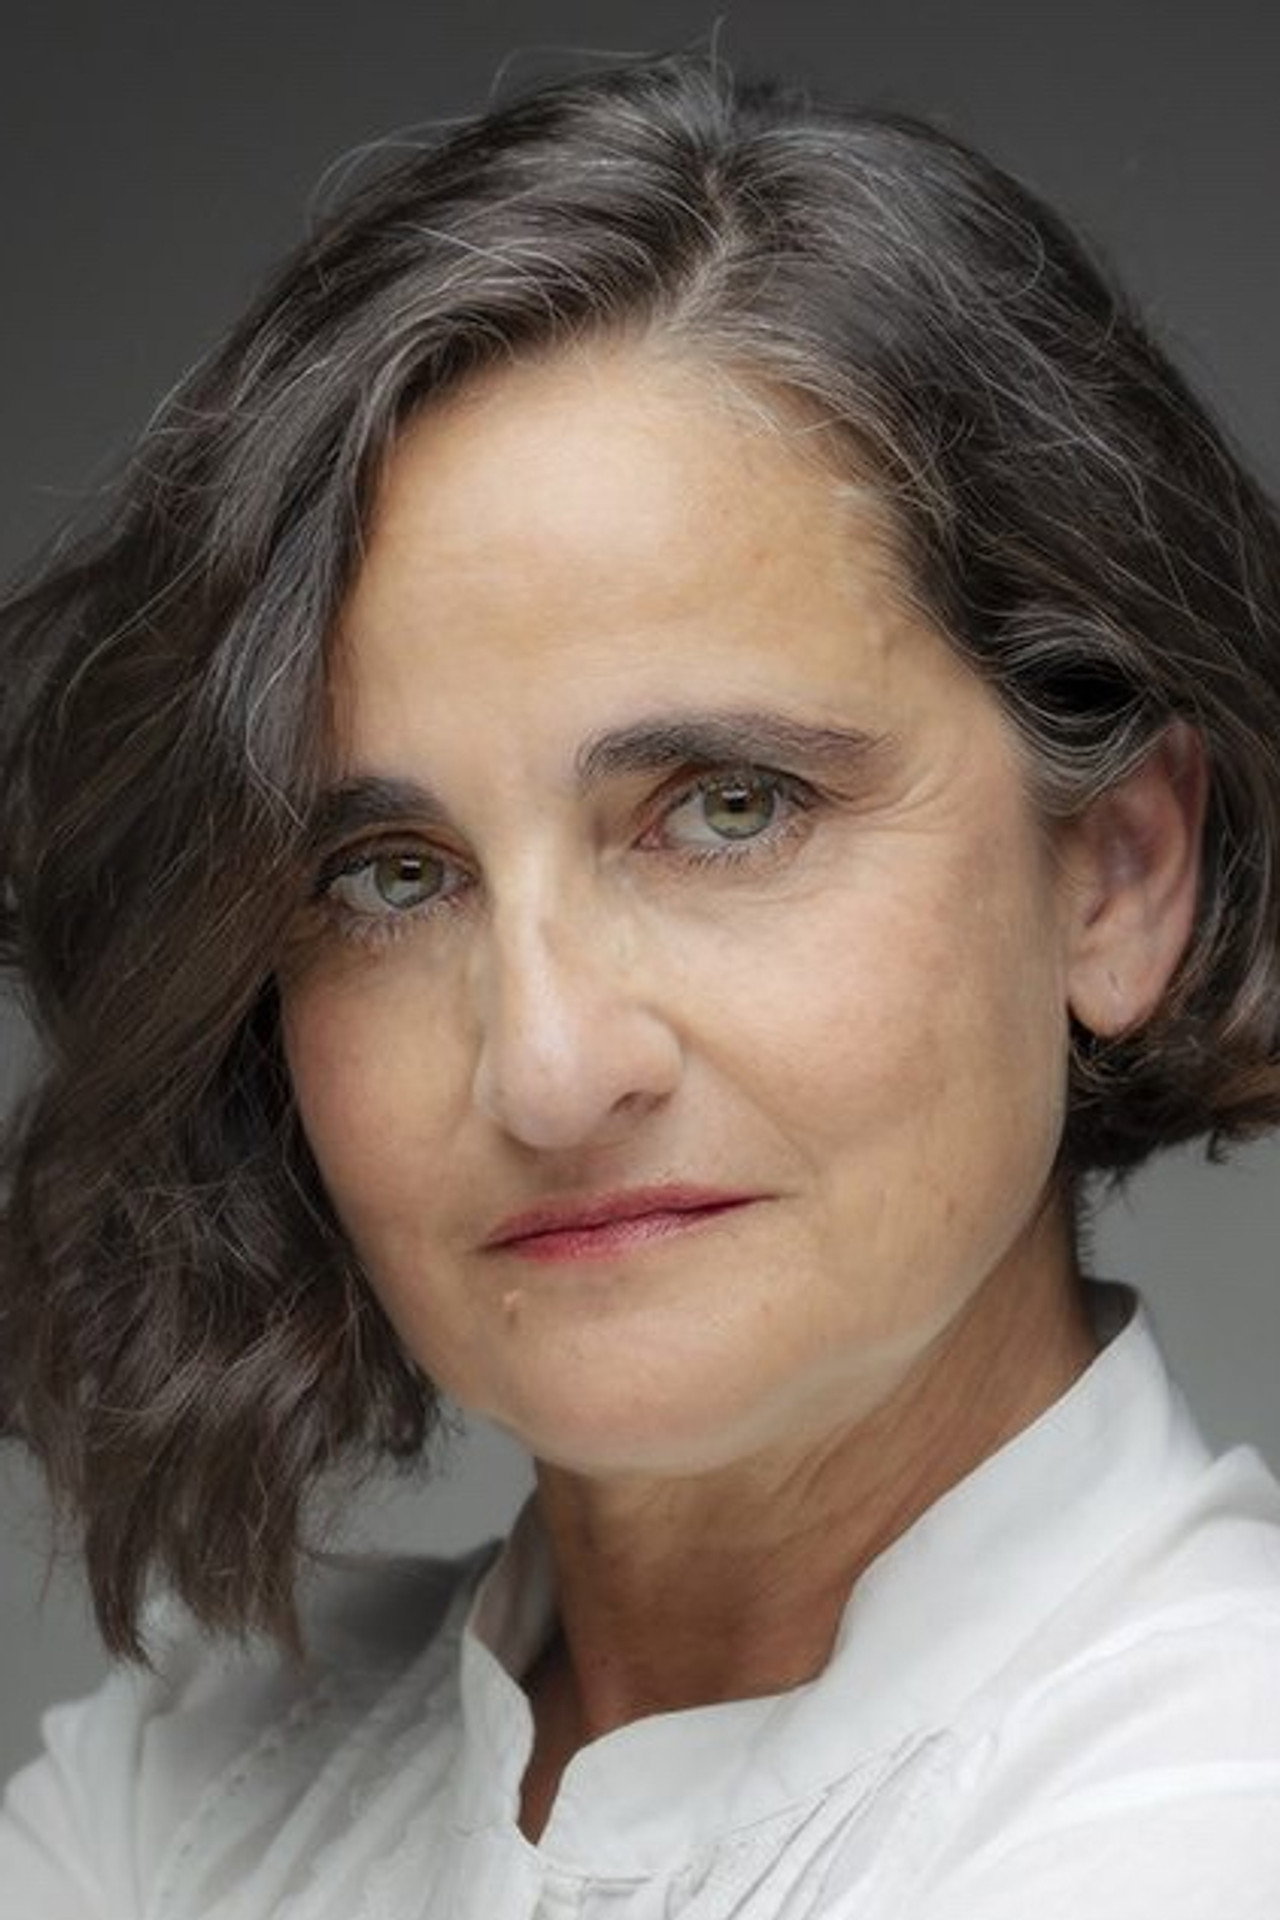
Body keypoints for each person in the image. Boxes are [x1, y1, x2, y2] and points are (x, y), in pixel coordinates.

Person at [2, 48, 1280, 1918]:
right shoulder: (178, 1796)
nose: (547, 1064)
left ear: (1118, 872)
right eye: (389, 874)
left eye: (728, 810)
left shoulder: (1225, 1809)